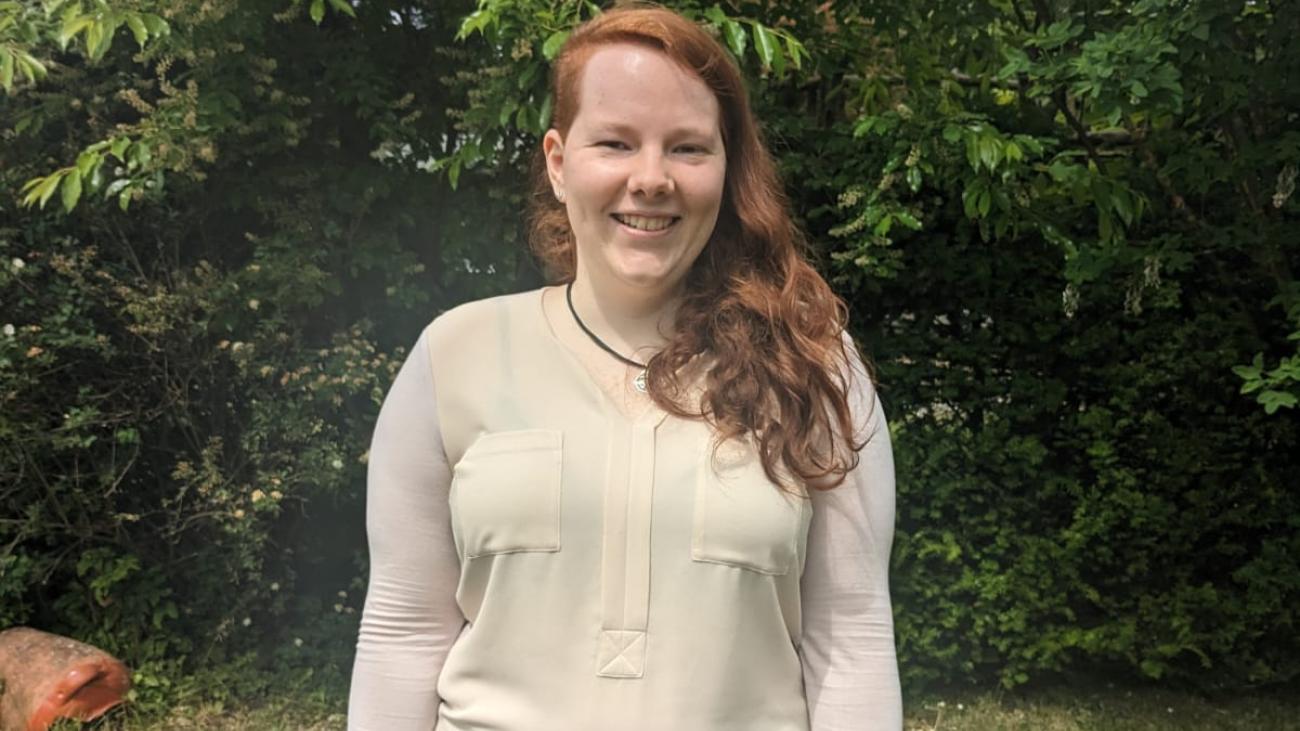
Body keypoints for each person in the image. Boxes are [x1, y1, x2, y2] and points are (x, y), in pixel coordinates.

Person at [348, 4, 901, 729]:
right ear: (558, 162)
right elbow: (403, 634)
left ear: (726, 169)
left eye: (688, 148)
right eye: (614, 142)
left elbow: (851, 638)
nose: (651, 178)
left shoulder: (812, 363)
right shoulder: (453, 356)